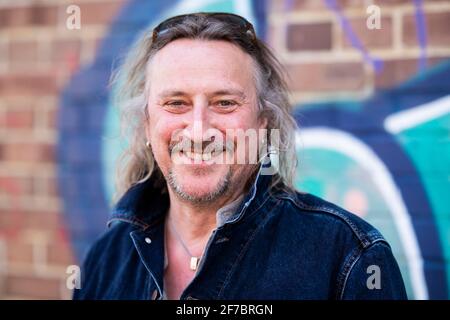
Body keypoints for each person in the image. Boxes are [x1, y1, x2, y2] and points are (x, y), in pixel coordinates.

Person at [73, 12, 407, 300]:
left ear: (262, 123)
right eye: (176, 103)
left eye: (225, 103)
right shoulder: (106, 259)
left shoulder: (348, 258)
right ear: (147, 125)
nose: (199, 131)